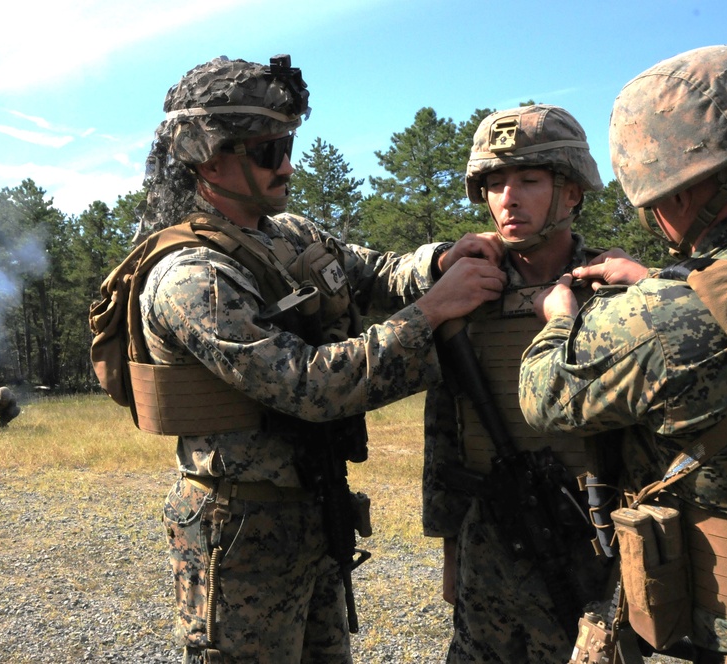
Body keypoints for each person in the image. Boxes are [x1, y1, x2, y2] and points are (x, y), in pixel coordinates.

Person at [99, 54, 506, 664]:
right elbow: (312, 386)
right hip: (238, 529)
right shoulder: (192, 277)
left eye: (287, 143)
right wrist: (431, 314)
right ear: (210, 159)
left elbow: (373, 271)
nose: (286, 164)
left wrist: (439, 263)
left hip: (310, 506)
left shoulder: (289, 234)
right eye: (267, 151)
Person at [520, 44, 727, 663]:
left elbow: (543, 394)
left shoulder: (660, 314)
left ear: (671, 183)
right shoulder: (683, 301)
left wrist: (557, 318)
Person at [411, 104, 615, 662]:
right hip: (489, 533)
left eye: (528, 180)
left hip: (589, 537)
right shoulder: (470, 294)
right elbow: (444, 433)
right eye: (495, 184)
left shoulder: (611, 290)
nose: (508, 199)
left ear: (571, 192)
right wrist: (450, 546)